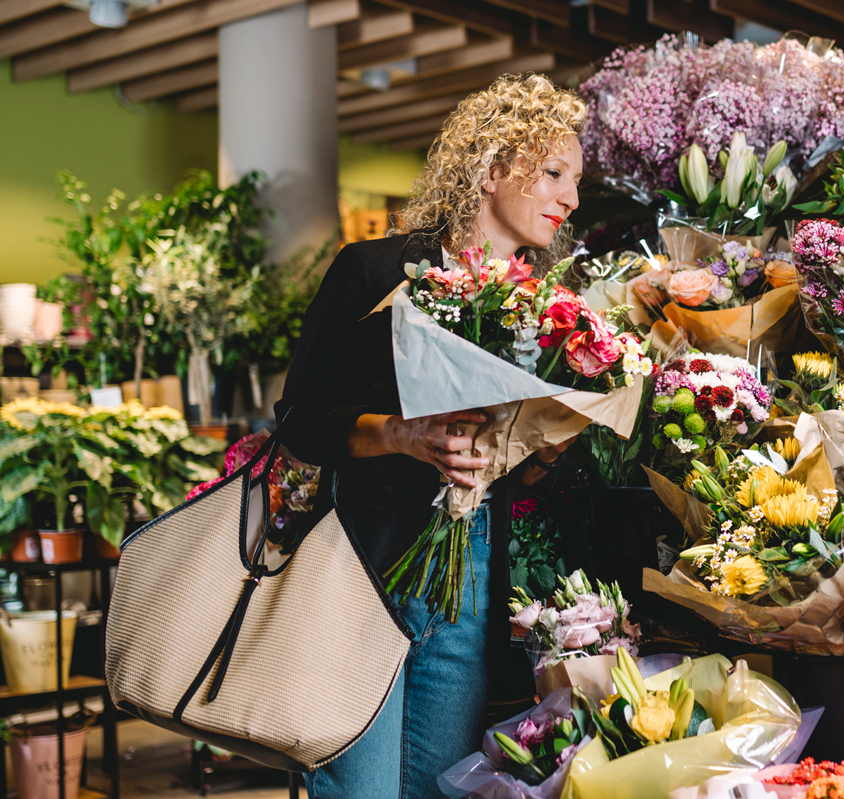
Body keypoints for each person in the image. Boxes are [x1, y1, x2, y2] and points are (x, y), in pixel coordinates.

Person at [274, 73, 586, 798]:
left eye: (575, 180)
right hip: (365, 565)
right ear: (490, 168)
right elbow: (300, 419)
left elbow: (525, 475)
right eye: (552, 173)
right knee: (361, 789)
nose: (570, 198)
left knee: (446, 788)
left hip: (469, 578)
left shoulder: (546, 313)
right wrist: (403, 434)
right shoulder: (374, 272)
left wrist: (547, 451)